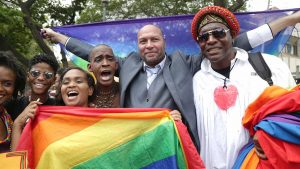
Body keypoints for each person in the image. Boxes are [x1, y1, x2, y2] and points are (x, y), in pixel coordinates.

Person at [40, 10, 300, 151]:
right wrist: (59, 38)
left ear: (163, 42)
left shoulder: (185, 63)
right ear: (138, 46)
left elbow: (235, 42)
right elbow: (92, 52)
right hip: (131, 147)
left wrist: (287, 21)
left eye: (154, 40)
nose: (149, 45)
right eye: (143, 41)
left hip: (172, 147)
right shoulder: (127, 64)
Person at [191, 6, 296, 169]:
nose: (210, 40)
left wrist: (266, 132)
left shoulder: (270, 66)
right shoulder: (195, 81)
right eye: (203, 37)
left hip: (260, 164)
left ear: (232, 36)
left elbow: (294, 112)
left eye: (218, 33)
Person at [10, 67, 95, 151]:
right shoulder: (45, 121)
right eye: (66, 82)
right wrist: (18, 124)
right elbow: (17, 160)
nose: (71, 85)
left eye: (78, 81)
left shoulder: (103, 121)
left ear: (90, 90)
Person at [5, 54, 60, 120]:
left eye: (48, 75)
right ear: (28, 76)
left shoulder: (59, 107)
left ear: (54, 79)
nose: (40, 78)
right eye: (35, 73)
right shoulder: (11, 105)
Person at [0, 52, 26, 153]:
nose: (0, 88)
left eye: (7, 84)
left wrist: (17, 125)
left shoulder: (6, 116)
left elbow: (14, 159)